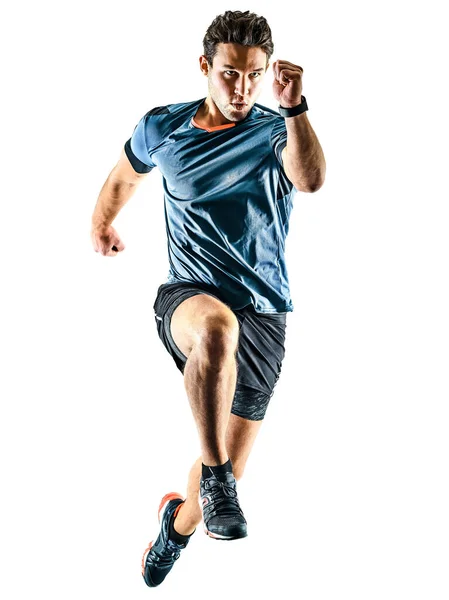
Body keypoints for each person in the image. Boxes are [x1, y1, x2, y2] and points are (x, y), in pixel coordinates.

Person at [91, 9, 325, 588]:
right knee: (217, 331)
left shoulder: (276, 130)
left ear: (267, 73)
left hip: (265, 313)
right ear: (205, 66)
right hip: (189, 298)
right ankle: (215, 475)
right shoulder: (163, 127)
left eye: (253, 75)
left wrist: (295, 108)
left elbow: (311, 178)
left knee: (222, 486)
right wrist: (102, 222)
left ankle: (177, 524)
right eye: (228, 73)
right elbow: (125, 177)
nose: (240, 87)